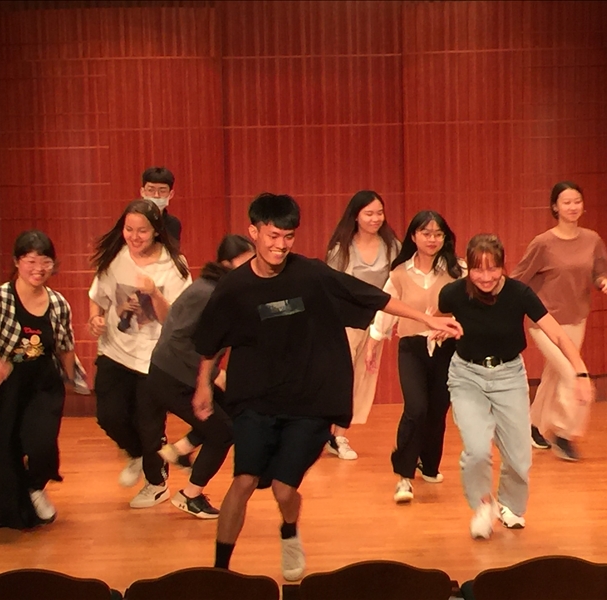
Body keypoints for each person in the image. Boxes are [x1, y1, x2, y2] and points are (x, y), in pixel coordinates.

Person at [191, 193, 463, 581]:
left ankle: (289, 531)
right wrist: (203, 385)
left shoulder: (311, 275)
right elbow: (210, 341)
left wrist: (428, 319)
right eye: (273, 236)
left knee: (284, 489)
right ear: (254, 232)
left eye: (288, 237)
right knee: (244, 480)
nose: (280, 245)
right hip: (256, 400)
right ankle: (219, 572)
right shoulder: (234, 288)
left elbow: (373, 297)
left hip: (309, 401)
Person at [438, 234, 594, 540]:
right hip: (467, 376)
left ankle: (509, 505)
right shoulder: (453, 293)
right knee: (477, 449)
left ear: (502, 267)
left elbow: (557, 335)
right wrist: (440, 329)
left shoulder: (518, 293)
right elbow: (437, 316)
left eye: (492, 269)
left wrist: (580, 373)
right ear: (468, 268)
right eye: (478, 269)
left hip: (508, 375)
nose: (485, 277)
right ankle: (483, 505)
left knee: (519, 456)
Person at [0, 230, 77, 529]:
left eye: (45, 261)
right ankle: (12, 510)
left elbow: (64, 345)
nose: (38, 268)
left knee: (42, 445)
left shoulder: (58, 303)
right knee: (2, 453)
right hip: (2, 387)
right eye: (30, 260)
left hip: (41, 384)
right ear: (17, 262)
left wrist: (74, 379)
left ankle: (36, 486)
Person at [88, 199, 192, 509]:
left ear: (156, 231)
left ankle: (157, 484)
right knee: (109, 416)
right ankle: (135, 455)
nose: (134, 237)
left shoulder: (174, 266)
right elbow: (98, 296)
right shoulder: (114, 258)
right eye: (129, 229)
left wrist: (154, 293)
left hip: (154, 360)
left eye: (142, 231)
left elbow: (175, 320)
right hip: (114, 352)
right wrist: (94, 318)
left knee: (150, 426)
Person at [147, 235, 255, 519]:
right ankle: (190, 495)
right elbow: (178, 340)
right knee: (223, 433)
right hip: (172, 376)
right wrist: (214, 375)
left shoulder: (221, 290)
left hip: (184, 373)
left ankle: (182, 450)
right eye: (246, 262)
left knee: (234, 407)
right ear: (226, 264)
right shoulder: (207, 293)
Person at [510, 181, 607, 461]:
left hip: (577, 319)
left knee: (553, 376)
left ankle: (532, 425)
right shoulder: (543, 243)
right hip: (544, 321)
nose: (572, 207)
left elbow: (600, 270)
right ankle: (565, 434)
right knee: (573, 377)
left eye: (577, 201)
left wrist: (602, 282)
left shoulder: (592, 239)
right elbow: (519, 278)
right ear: (555, 207)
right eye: (566, 202)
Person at [365, 211, 464, 503]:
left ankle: (429, 464)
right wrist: (373, 342)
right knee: (416, 408)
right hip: (411, 348)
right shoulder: (399, 273)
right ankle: (404, 476)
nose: (432, 239)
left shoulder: (457, 270)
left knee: (438, 409)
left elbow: (470, 305)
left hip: (447, 349)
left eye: (438, 234)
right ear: (413, 236)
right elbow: (386, 309)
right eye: (426, 233)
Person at [324, 190, 400, 460]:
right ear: (356, 216)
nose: (375, 218)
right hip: (344, 322)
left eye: (379, 213)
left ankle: (340, 435)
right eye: (369, 213)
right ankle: (323, 432)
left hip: (376, 322)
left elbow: (397, 284)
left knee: (363, 379)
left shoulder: (392, 247)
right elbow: (331, 287)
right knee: (338, 377)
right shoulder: (341, 248)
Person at [141, 166, 182, 243]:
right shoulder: (130, 219)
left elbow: (173, 249)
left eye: (162, 191)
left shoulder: (173, 224)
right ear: (142, 192)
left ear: (171, 194)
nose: (156, 195)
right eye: (151, 190)